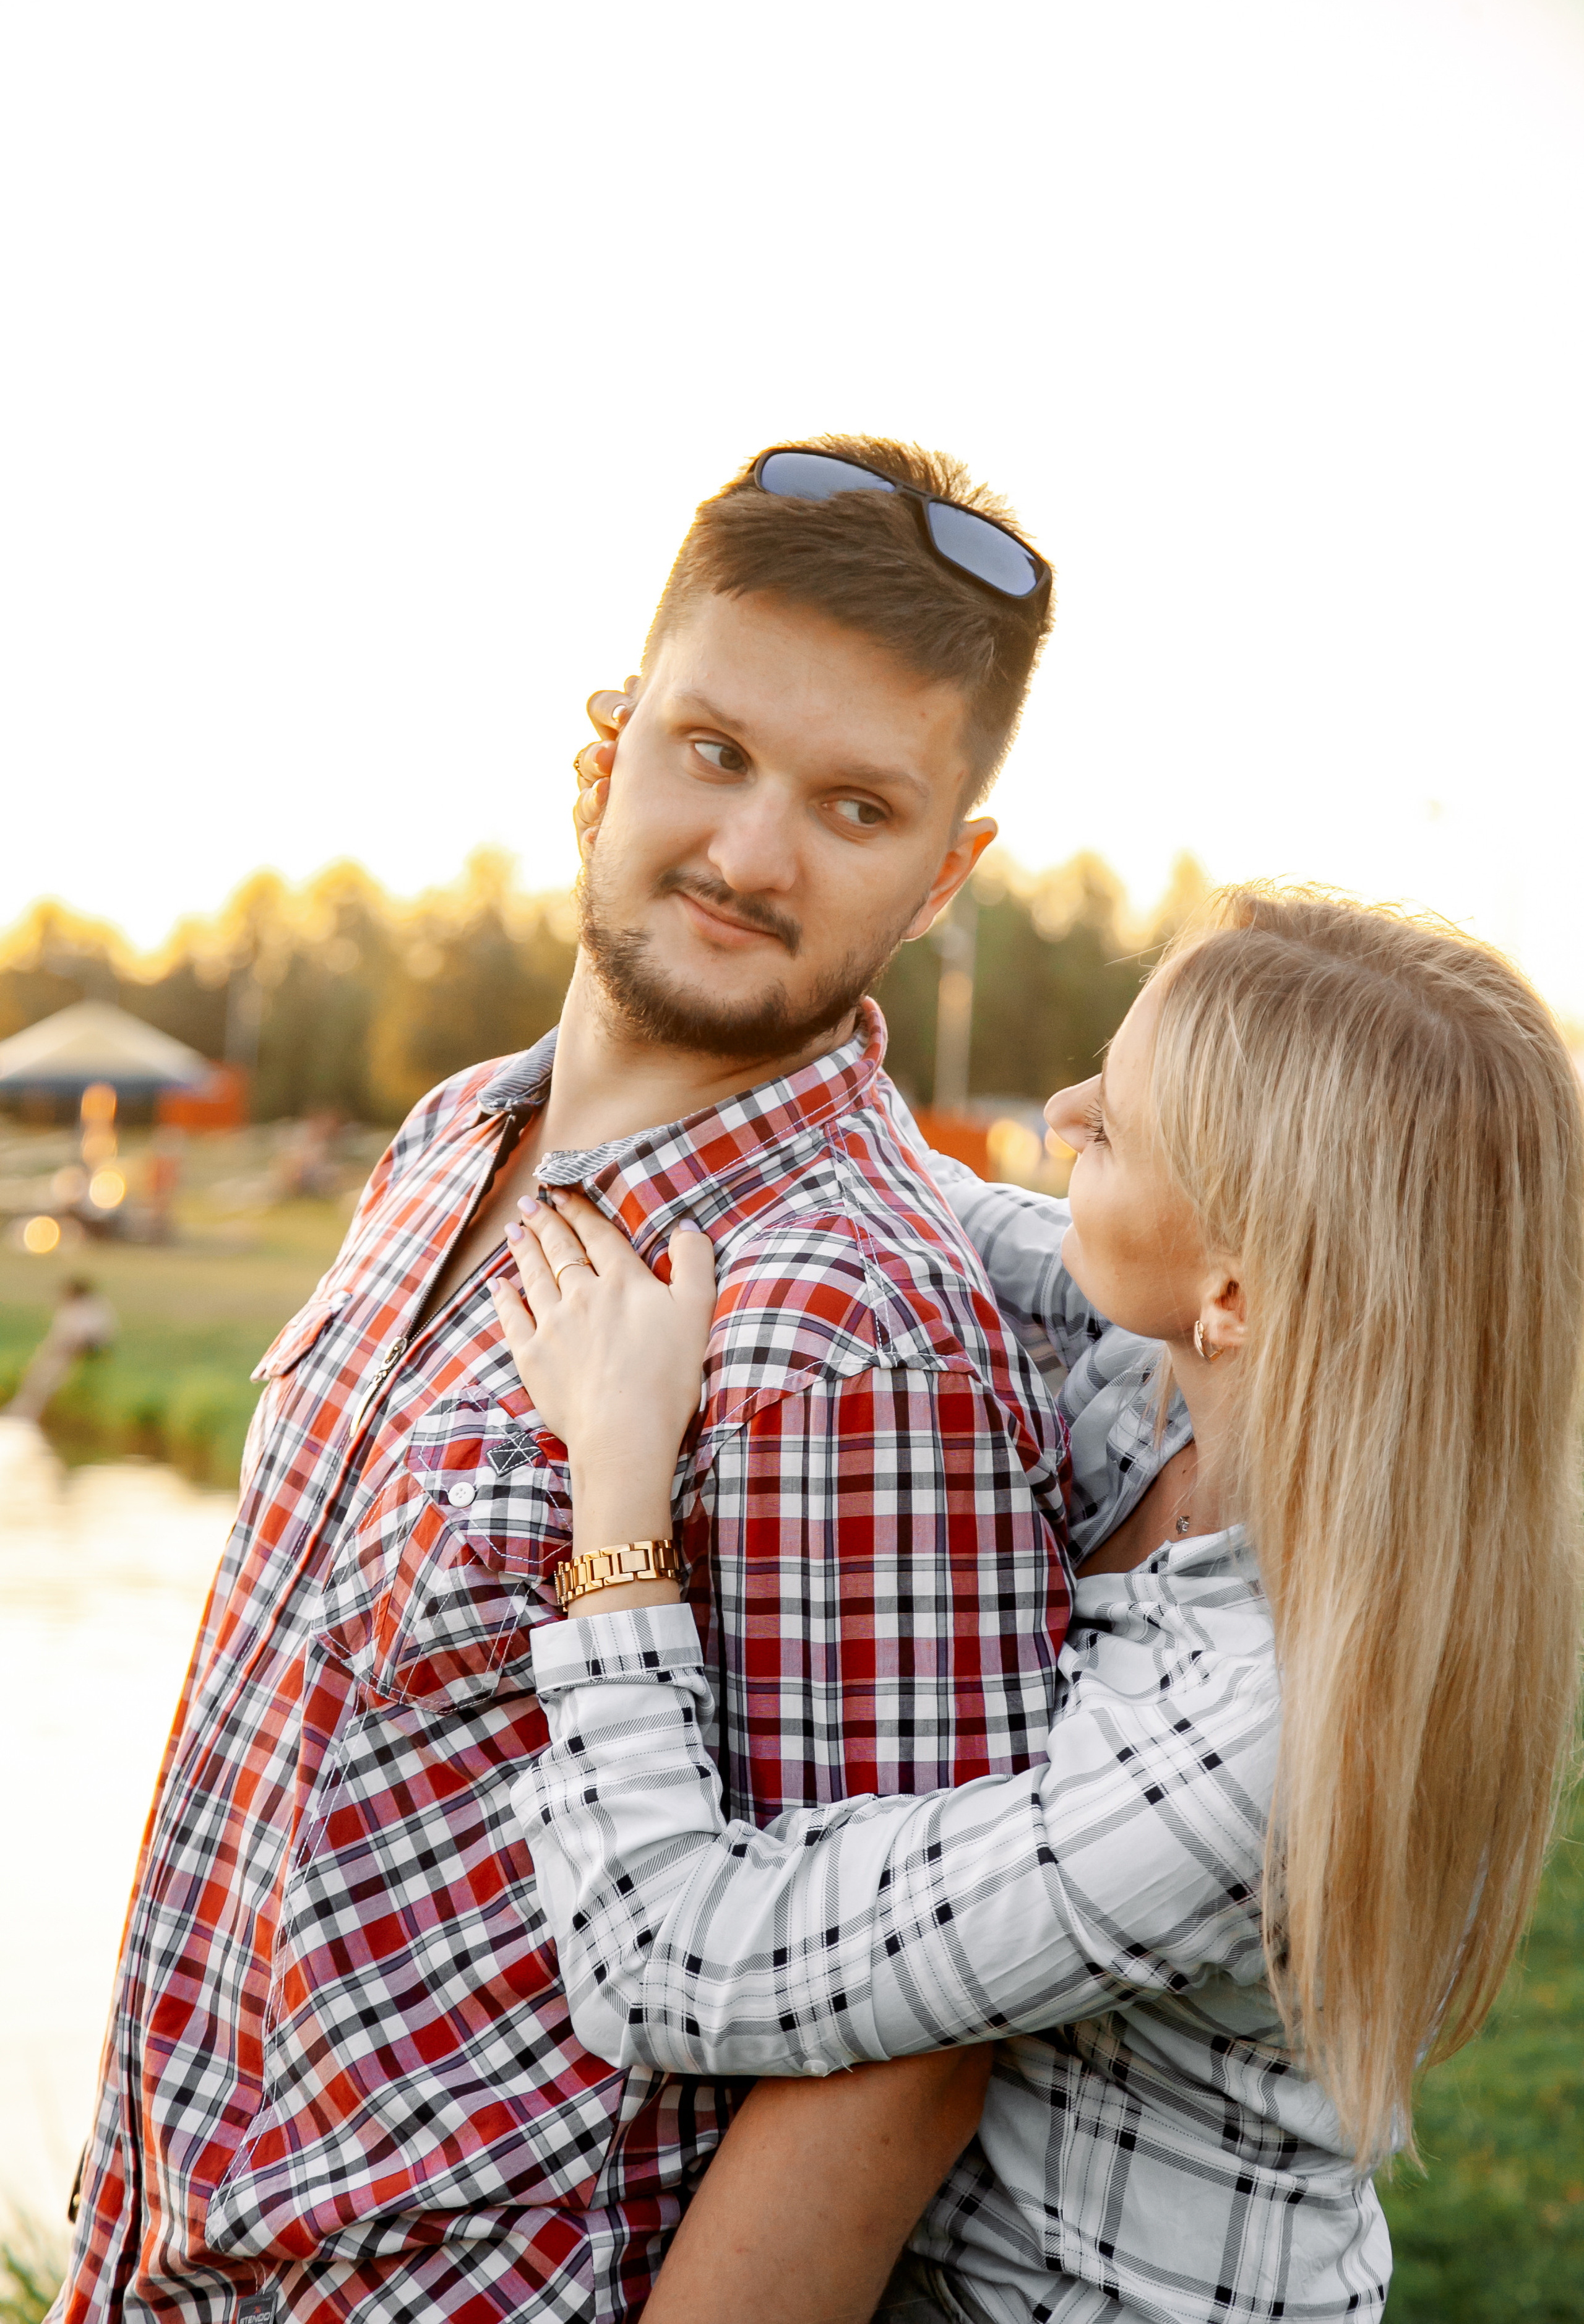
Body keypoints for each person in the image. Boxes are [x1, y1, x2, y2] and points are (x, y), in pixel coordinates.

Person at [56, 437, 1073, 2324]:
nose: (753, 851)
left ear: (946, 873)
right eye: (715, 751)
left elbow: (899, 2054)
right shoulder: (452, 1134)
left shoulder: (858, 1329)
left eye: (854, 807)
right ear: (606, 739)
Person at [487, 886, 1584, 2324]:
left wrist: (617, 1482)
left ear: (1236, 1290)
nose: (1058, 1110)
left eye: (1113, 1126)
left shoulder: (1257, 1738)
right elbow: (903, 1193)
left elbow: (662, 1949)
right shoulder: (1193, 1382)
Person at [5, 1277, 117, 1422]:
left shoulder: (85, 1309)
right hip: (64, 1351)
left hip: (72, 1353)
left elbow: (85, 1337)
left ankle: (24, 1416)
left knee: (44, 1382)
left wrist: (67, 1350)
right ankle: (20, 1413)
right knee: (36, 1380)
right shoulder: (84, 1308)